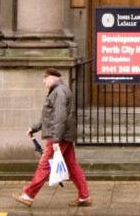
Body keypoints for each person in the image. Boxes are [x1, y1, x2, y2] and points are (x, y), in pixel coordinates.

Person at [13, 67, 92, 208]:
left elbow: (59, 118)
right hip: (63, 135)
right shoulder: (58, 91)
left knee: (44, 165)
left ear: (53, 78)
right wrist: (34, 128)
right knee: (72, 166)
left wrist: (56, 140)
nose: (44, 81)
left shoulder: (59, 92)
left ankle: (28, 195)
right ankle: (84, 196)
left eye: (46, 78)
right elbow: (49, 116)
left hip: (59, 136)